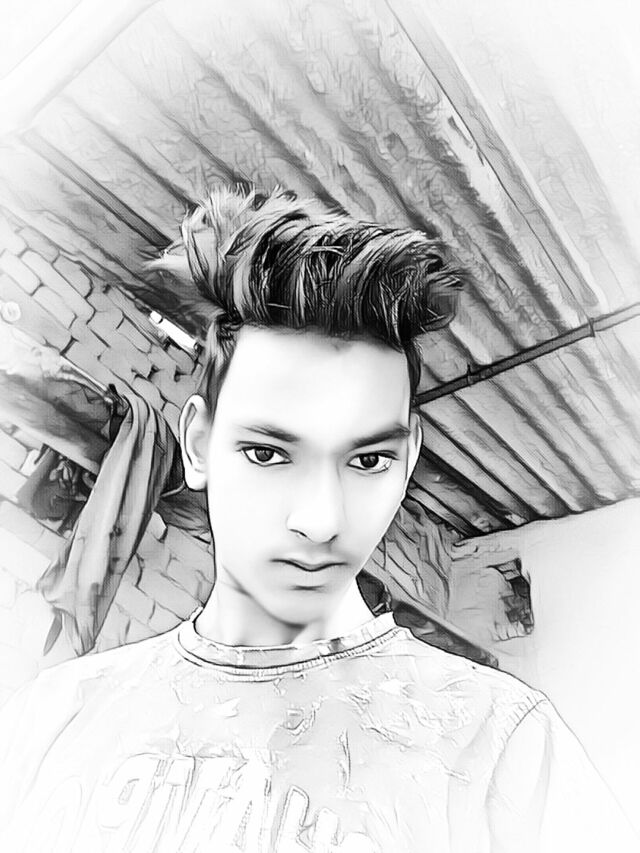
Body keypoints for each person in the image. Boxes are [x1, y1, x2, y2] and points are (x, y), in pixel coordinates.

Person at [0, 187, 636, 852]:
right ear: (197, 445)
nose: (321, 519)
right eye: (267, 453)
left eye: (368, 460)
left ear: (407, 460)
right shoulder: (51, 721)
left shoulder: (501, 751)